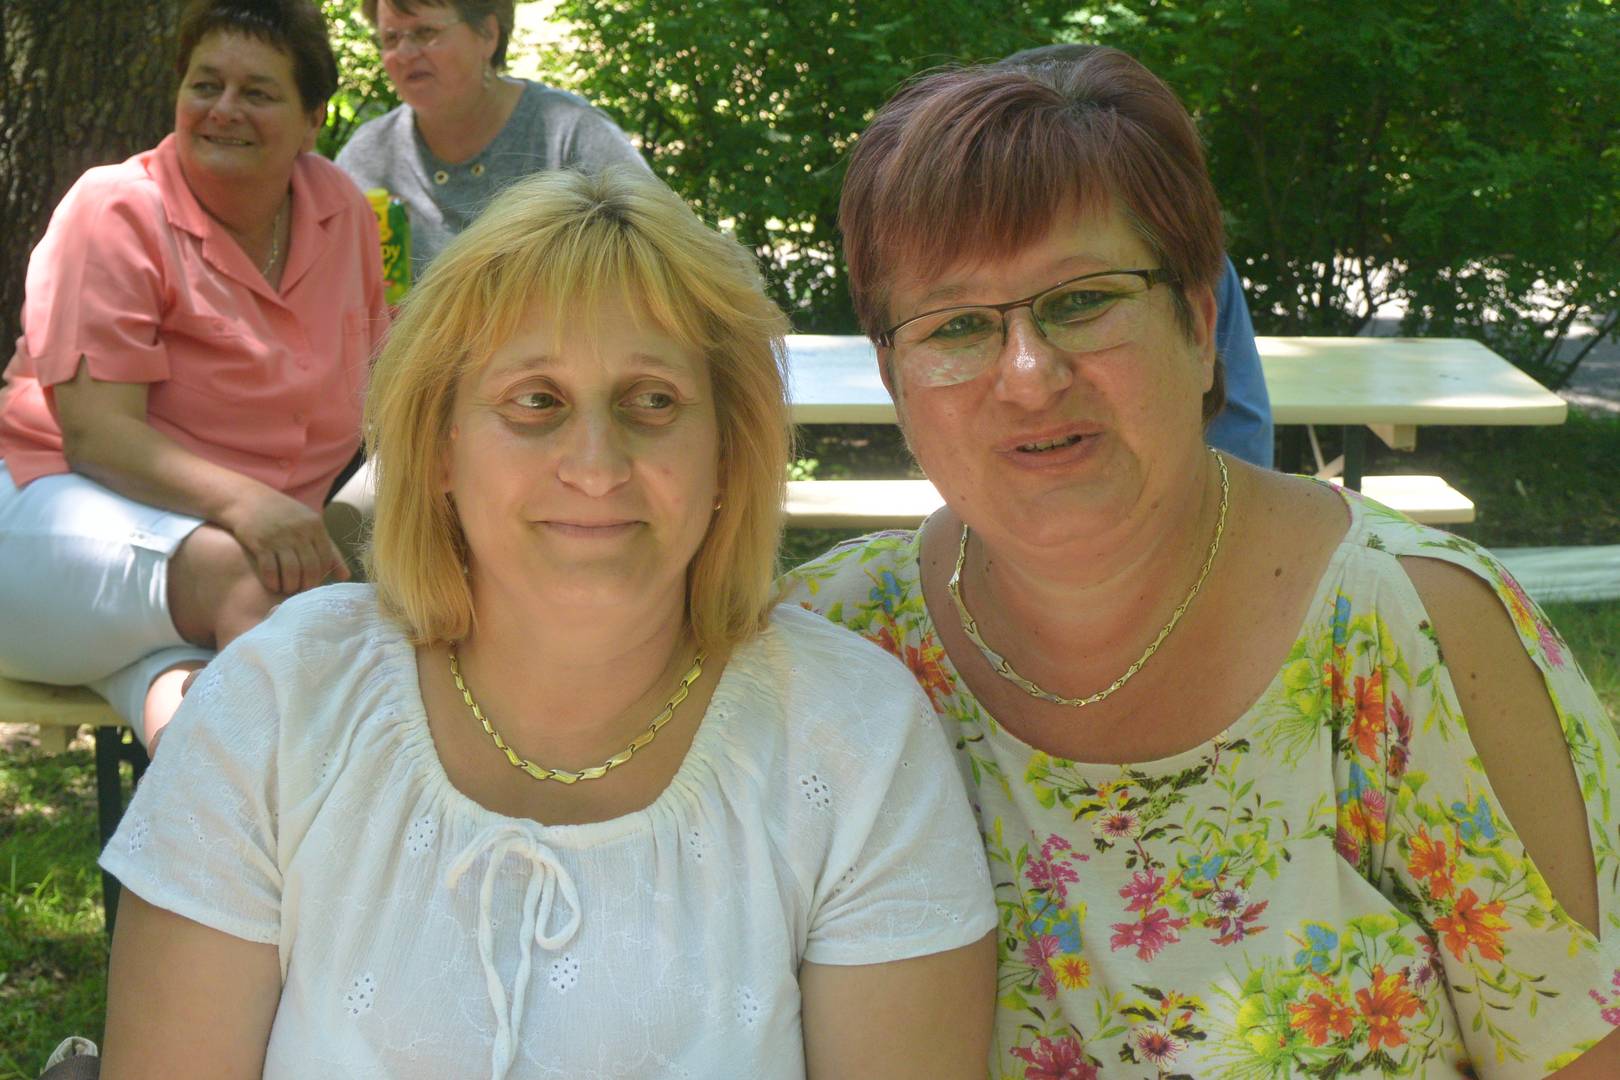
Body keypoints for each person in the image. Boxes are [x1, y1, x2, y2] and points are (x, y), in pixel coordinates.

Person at [783, 49, 1620, 1078]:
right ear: (894, 379)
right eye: (956, 325)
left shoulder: (1415, 636)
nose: (1030, 374)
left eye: (1083, 300)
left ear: (1200, 321)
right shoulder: (830, 654)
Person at [97, 166, 997, 1078]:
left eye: (653, 400)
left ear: (728, 452)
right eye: (537, 401)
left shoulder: (854, 741)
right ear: (439, 447)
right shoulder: (279, 702)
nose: (596, 465)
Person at [0, 0, 387, 751]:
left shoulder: (340, 209)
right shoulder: (116, 208)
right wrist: (255, 508)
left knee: (199, 724)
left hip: (203, 573)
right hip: (52, 521)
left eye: (258, 92)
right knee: (268, 593)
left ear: (312, 120)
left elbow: (380, 386)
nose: (224, 110)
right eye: (205, 85)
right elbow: (96, 438)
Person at [998, 43, 1274, 468]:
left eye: (1084, 298)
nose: (1028, 379)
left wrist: (1227, 508)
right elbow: (1245, 420)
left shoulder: (1194, 264)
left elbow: (1239, 431)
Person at [335, 0, 648, 278]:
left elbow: (656, 253)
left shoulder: (569, 134)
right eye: (391, 38)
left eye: (426, 32)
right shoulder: (368, 156)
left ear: (487, 34)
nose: (404, 54)